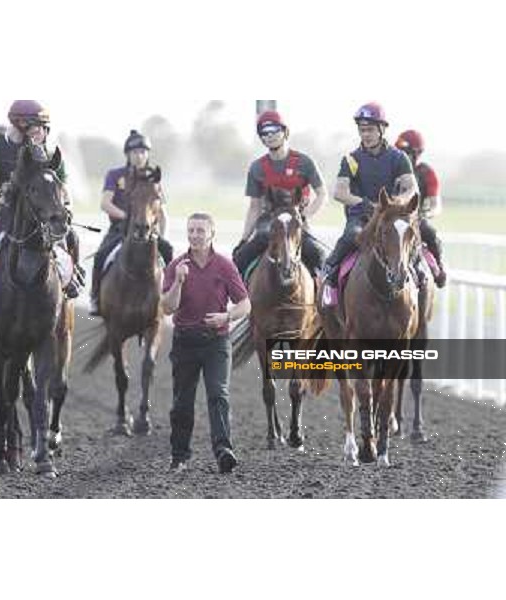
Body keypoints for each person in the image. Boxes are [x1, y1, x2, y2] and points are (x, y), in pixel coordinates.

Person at [0, 100, 84, 302]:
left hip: (33, 213)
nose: (41, 131)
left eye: (43, 127)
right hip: (1, 211)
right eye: (38, 125)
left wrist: (63, 208)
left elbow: (54, 187)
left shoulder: (38, 150)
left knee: (70, 236)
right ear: (21, 123)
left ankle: (73, 274)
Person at [162, 213, 251, 474]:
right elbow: (167, 308)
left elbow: (245, 304)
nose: (195, 235)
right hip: (185, 341)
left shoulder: (224, 265)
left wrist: (226, 316)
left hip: (217, 342)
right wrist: (178, 281)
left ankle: (223, 450)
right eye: (191, 230)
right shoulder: (177, 265)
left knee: (218, 395)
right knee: (182, 401)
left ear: (212, 234)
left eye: (200, 231)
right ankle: (179, 456)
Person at [321, 102, 418, 303]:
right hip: (361, 217)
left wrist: (396, 202)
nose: (366, 134)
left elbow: (412, 188)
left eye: (370, 130)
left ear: (382, 129)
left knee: (409, 240)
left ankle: (419, 277)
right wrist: (368, 205)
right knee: (351, 235)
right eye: (362, 130)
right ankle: (329, 273)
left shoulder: (399, 158)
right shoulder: (351, 159)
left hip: (390, 216)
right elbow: (340, 192)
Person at [232, 110, 329, 280]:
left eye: (274, 130)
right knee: (240, 257)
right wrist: (243, 239)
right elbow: (254, 207)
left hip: (297, 220)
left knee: (319, 255)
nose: (269, 136)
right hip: (268, 222)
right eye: (264, 132)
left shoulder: (305, 162)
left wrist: (305, 215)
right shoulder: (257, 168)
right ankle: (241, 297)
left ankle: (324, 298)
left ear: (285, 132)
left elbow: (322, 195)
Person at [88, 130, 174, 315]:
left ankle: (170, 297)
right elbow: (105, 203)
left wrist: (162, 236)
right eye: (135, 152)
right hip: (120, 228)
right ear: (128, 154)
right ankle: (95, 297)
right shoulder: (115, 175)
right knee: (101, 256)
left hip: (148, 230)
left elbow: (162, 211)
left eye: (143, 152)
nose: (139, 156)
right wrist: (128, 217)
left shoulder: (154, 178)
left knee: (170, 253)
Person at [395, 129, 446, 287]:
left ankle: (438, 268)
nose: (400, 156)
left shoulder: (426, 173)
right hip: (390, 217)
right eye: (398, 152)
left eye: (404, 152)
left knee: (430, 234)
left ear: (416, 154)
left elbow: (436, 205)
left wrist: (426, 214)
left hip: (414, 218)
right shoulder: (391, 169)